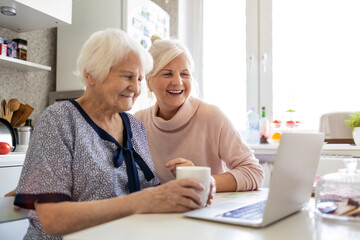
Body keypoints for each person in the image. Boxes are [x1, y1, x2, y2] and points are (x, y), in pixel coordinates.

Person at [13, 29, 214, 239]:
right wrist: (144, 200)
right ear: (90, 74)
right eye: (127, 76)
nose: (136, 89)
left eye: (139, 79)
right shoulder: (58, 120)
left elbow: (147, 194)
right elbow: (52, 220)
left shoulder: (135, 126)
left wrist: (186, 188)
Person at [134, 39, 264, 192]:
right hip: (159, 211)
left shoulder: (212, 116)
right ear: (149, 82)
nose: (178, 82)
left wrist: (202, 180)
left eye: (185, 74)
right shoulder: (137, 122)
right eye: (167, 74)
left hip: (208, 211)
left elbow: (254, 172)